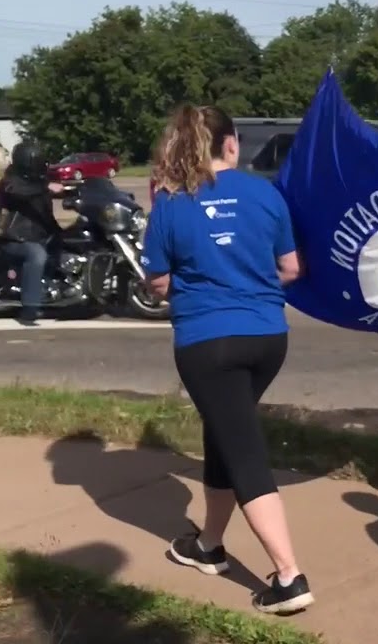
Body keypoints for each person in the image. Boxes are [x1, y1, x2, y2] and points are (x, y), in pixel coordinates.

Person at [141, 104, 314, 615]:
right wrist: (249, 282)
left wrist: (193, 283)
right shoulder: (267, 194)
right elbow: (291, 267)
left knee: (242, 452)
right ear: (232, 145)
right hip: (267, 340)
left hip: (208, 344)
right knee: (223, 432)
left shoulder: (172, 203)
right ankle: (209, 545)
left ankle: (289, 577)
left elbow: (156, 281)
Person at [0, 141, 65, 325]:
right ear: (29, 162)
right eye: (38, 161)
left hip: (40, 234)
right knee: (36, 255)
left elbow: (48, 191)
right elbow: (21, 192)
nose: (42, 165)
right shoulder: (9, 182)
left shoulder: (38, 181)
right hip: (12, 238)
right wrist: (46, 188)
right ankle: (30, 307)